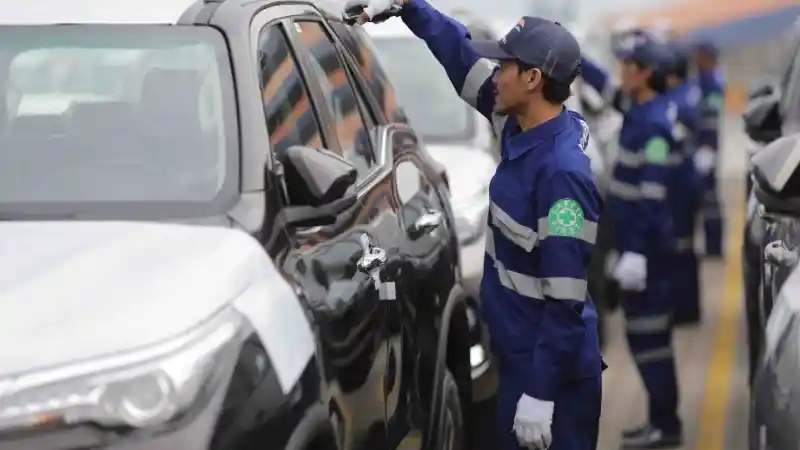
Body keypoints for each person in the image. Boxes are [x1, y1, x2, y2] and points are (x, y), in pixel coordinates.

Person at [346, 1, 605, 449]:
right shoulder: (519, 124)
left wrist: (541, 395)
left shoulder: (563, 176)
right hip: (522, 358)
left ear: (532, 79)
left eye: (505, 64)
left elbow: (564, 301)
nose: (494, 73)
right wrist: (412, 8)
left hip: (553, 380)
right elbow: (460, 54)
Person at [580, 30, 684, 448]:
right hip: (635, 248)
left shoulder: (656, 126)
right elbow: (604, 84)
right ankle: (660, 419)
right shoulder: (640, 109)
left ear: (645, 74)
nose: (621, 72)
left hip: (650, 256)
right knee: (644, 339)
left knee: (651, 342)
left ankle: (667, 426)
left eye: (628, 66)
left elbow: (653, 198)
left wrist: (638, 252)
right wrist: (573, 56)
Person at [665, 40, 703, 325]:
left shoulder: (676, 102)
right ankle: (686, 308)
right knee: (684, 248)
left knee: (679, 248)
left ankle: (684, 310)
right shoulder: (686, 94)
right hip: (684, 184)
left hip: (678, 188)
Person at [692, 40, 725, 257]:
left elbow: (711, 119)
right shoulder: (700, 80)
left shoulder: (713, 83)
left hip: (707, 147)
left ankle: (715, 247)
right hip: (700, 145)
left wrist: (708, 150)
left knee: (710, 199)